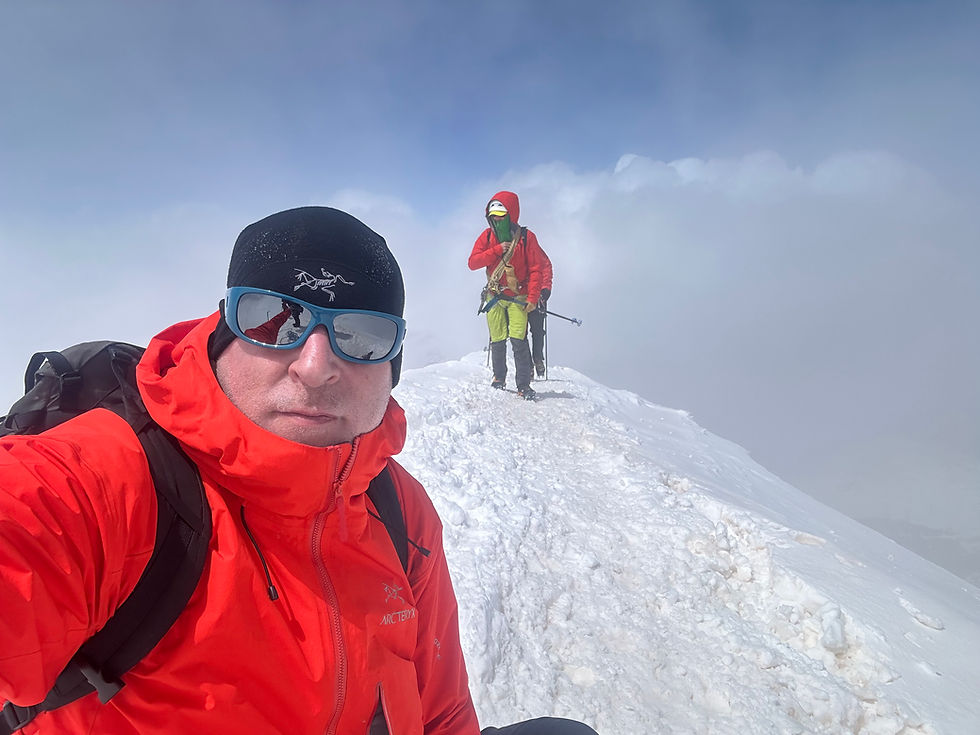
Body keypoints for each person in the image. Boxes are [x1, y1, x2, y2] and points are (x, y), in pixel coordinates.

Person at [0, 207, 596, 735]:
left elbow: (439, 716)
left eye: (362, 335)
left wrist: (534, 287)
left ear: (394, 366)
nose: (315, 367)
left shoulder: (398, 508)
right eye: (272, 319)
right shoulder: (103, 481)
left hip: (517, 302)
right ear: (223, 332)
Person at [468, 191, 550, 399]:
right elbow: (473, 263)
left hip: (517, 298)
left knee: (518, 340)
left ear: (511, 214)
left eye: (500, 214)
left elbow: (536, 269)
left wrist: (533, 297)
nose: (496, 219)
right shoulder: (487, 237)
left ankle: (523, 385)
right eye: (493, 215)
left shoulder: (526, 237)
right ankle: (499, 377)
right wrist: (496, 250)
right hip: (495, 295)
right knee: (498, 339)